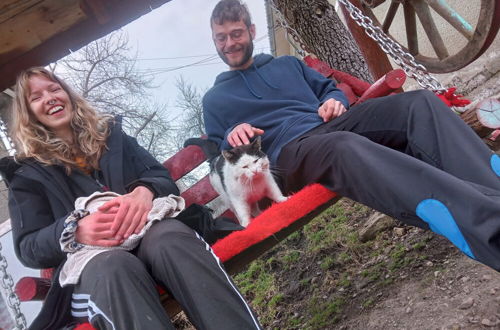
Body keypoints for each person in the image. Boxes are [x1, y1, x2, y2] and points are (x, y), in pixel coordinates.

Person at [203, 0, 500, 272]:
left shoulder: (287, 64)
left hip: (328, 126)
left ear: (252, 31)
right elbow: (216, 156)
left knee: (418, 104)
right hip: (287, 154)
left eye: (236, 33)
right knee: (344, 147)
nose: (230, 44)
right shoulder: (215, 99)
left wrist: (336, 101)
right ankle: (488, 226)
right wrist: (231, 134)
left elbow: (328, 90)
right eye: (222, 37)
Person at [0, 67, 262, 330]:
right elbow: (28, 247)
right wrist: (73, 230)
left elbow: (160, 177)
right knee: (116, 267)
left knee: (170, 238)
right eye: (36, 97)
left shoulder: (113, 137)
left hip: (148, 234)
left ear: (68, 94)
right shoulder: (27, 174)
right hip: (92, 266)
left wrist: (144, 191)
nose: (50, 98)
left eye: (54, 89)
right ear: (29, 113)